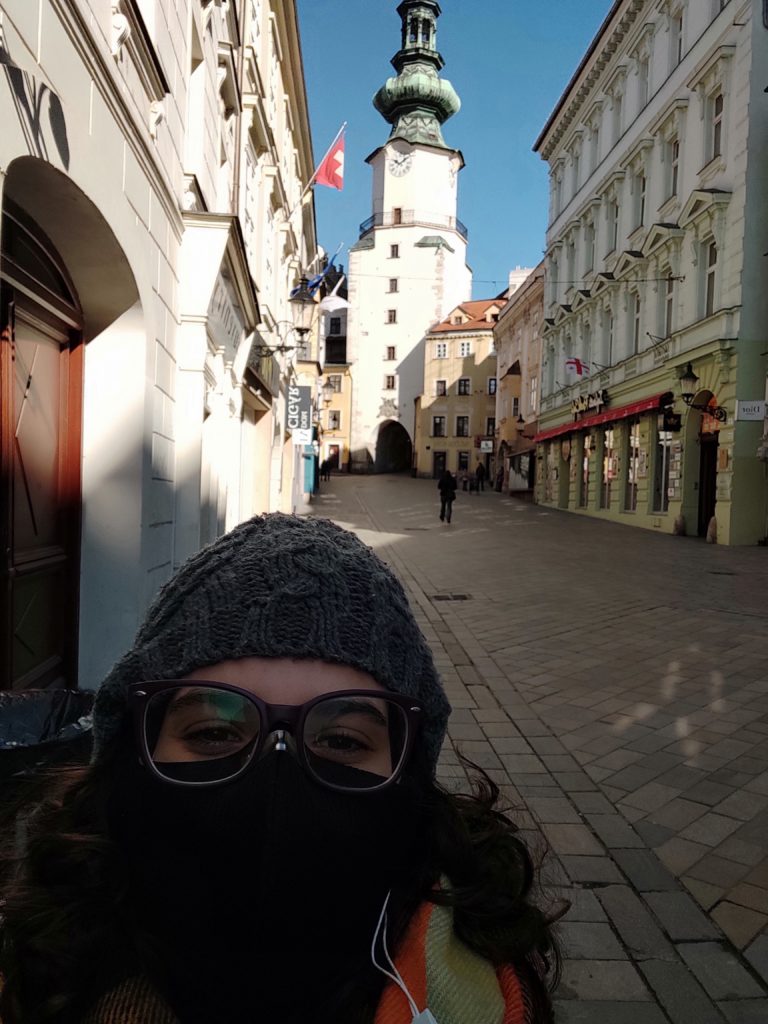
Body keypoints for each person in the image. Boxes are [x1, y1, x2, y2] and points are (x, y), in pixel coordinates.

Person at [0, 514, 559, 1024]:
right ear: (132, 753)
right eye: (214, 732)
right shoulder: (29, 977)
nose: (275, 785)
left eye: (341, 740)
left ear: (408, 773)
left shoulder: (494, 1002)